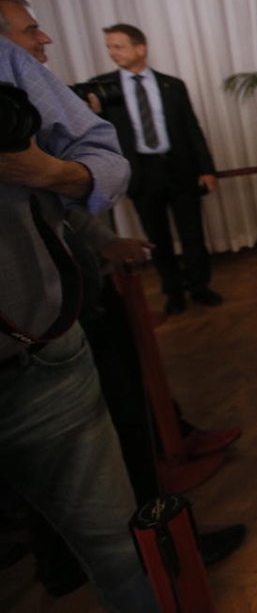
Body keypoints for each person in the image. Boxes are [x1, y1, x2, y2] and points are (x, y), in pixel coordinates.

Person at [0, 0, 245, 595]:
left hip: (51, 334)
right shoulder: (99, 87)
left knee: (112, 468)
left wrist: (56, 178)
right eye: (30, 30)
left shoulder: (35, 98)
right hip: (47, 322)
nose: (44, 39)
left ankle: (154, 553)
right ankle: (62, 562)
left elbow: (83, 174)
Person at [0, 36, 158, 611]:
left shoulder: (7, 63)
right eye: (30, 29)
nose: (43, 39)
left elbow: (104, 161)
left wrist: (46, 171)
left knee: (117, 546)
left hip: (41, 362)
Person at [85, 23, 221, 316]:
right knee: (157, 238)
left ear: (140, 48)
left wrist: (207, 169)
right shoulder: (101, 88)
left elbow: (192, 128)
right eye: (109, 47)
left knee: (193, 234)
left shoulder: (172, 85)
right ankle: (173, 292)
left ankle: (200, 286)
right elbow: (96, 132)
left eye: (118, 46)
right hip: (141, 174)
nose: (112, 53)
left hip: (180, 168)